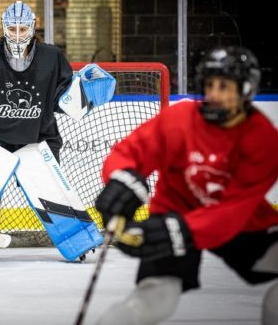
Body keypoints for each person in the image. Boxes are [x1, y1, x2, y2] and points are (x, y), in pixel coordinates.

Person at [94, 46, 278, 325]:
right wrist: (121, 178)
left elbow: (231, 210)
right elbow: (131, 151)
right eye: (210, 86)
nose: (214, 94)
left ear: (246, 90)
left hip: (243, 226)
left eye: (224, 87)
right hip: (174, 211)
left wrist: (179, 230)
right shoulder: (181, 119)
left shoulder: (264, 140)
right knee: (153, 300)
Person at [0, 1, 113, 262]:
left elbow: (66, 102)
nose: (16, 34)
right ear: (4, 27)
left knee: (53, 191)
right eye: (11, 28)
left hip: (37, 138)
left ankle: (80, 244)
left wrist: (87, 94)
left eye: (22, 28)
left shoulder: (52, 57)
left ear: (32, 27)